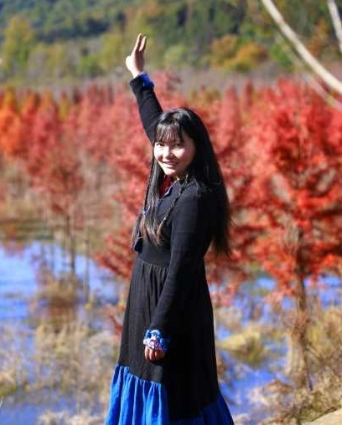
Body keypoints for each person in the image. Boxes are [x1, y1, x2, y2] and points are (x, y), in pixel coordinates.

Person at [106, 34, 235, 424]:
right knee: (150, 381)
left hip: (171, 307)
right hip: (149, 297)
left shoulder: (194, 198)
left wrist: (159, 330)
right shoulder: (172, 175)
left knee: (174, 391)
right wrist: (139, 77)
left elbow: (181, 268)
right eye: (161, 145)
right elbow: (155, 124)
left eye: (177, 146)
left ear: (197, 148)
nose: (165, 153)